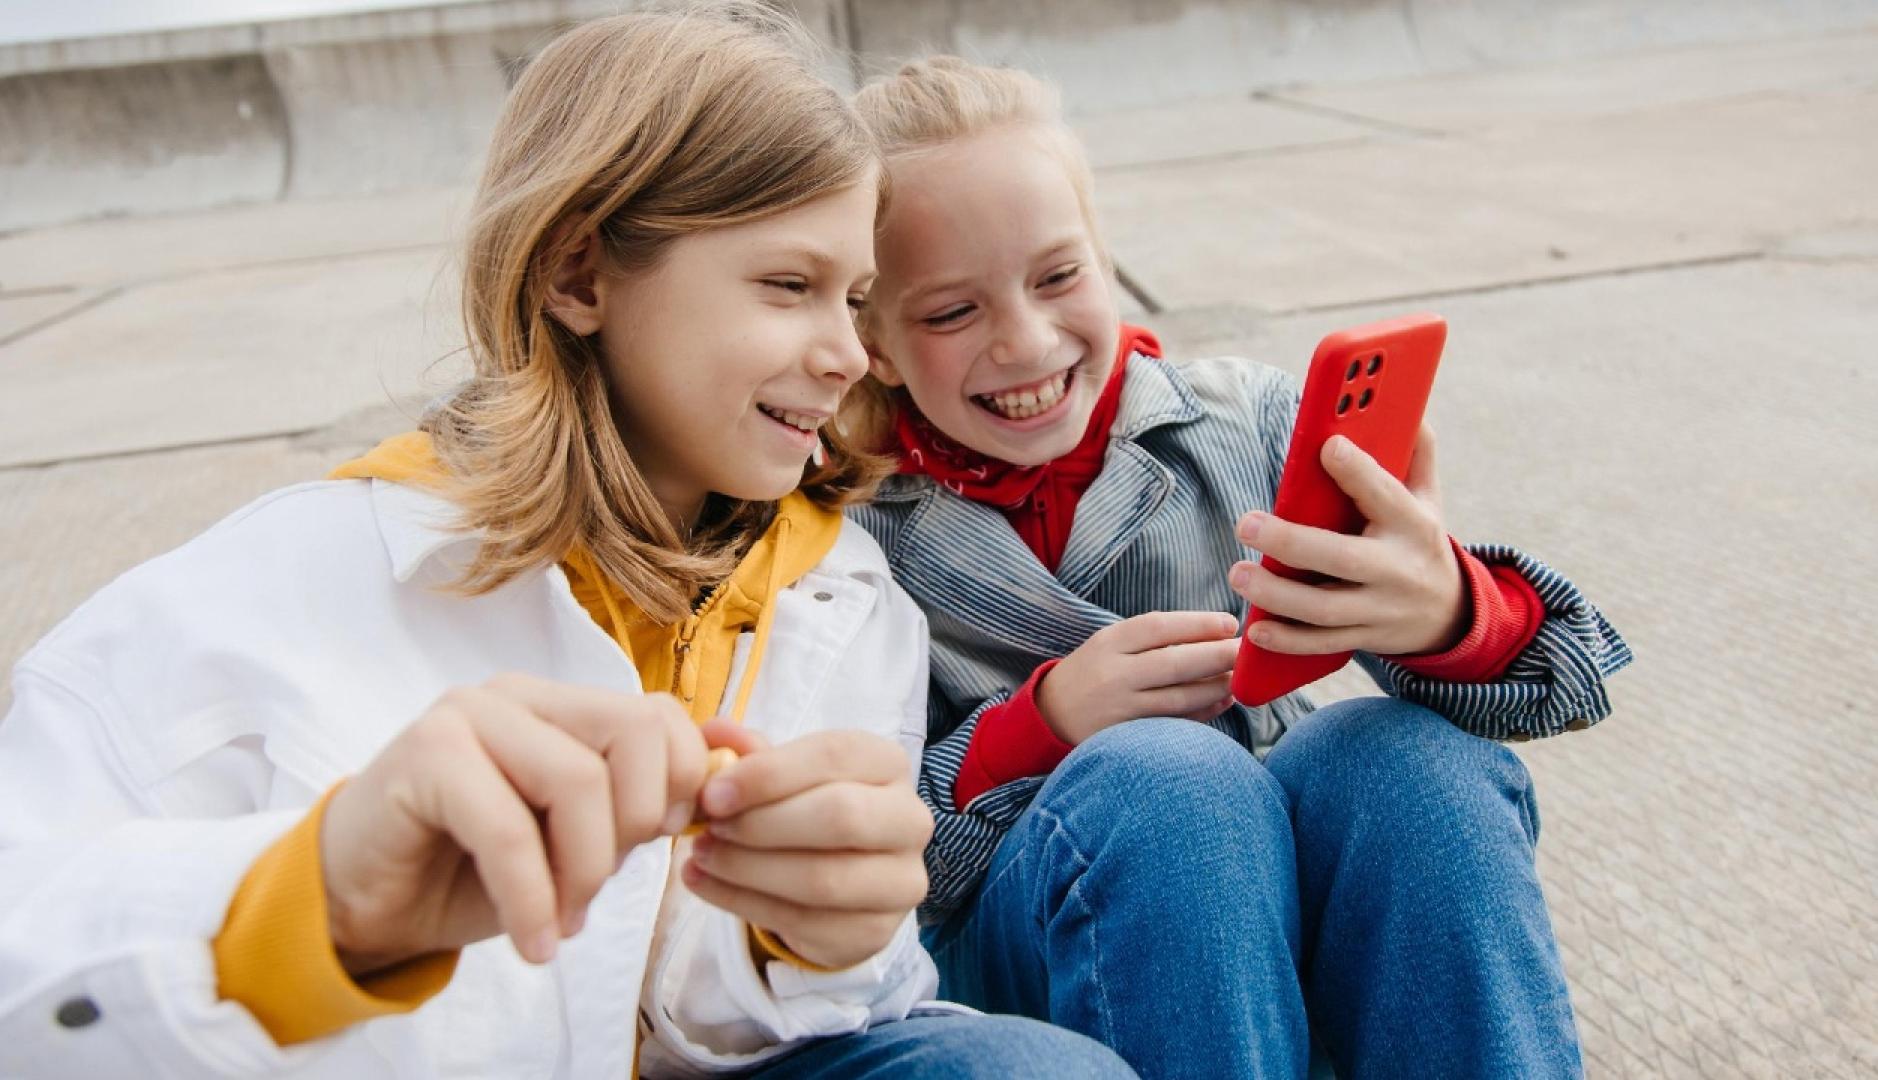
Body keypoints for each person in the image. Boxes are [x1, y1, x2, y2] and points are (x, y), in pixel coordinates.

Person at [0, 14, 1134, 1079]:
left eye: (856, 298)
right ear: (577, 275)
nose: (847, 353)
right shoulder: (260, 596)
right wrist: (310, 902)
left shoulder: (850, 594)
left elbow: (774, 1018)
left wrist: (814, 947)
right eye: (790, 286)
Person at [845, 56, 1633, 1079]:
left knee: (1408, 767)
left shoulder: (1252, 423)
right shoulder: (847, 536)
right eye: (952, 312)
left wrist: (1446, 612)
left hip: (1287, 909)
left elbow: (1569, 681)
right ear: (875, 345)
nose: (1028, 342)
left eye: (1059, 277)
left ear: (1107, 259)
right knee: (1168, 784)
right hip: (1041, 947)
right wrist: (1040, 727)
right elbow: (863, 867)